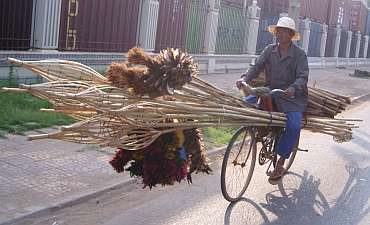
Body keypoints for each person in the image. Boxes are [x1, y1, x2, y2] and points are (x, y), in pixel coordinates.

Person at [236, 16, 309, 182]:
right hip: (271, 89)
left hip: (292, 97)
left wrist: (293, 88)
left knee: (293, 126)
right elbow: (256, 67)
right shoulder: (270, 50)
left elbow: (303, 77)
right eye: (278, 30)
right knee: (246, 105)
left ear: (291, 35)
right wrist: (245, 80)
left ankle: (280, 164)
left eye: (284, 31)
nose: (280, 34)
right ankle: (262, 134)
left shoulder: (299, 55)